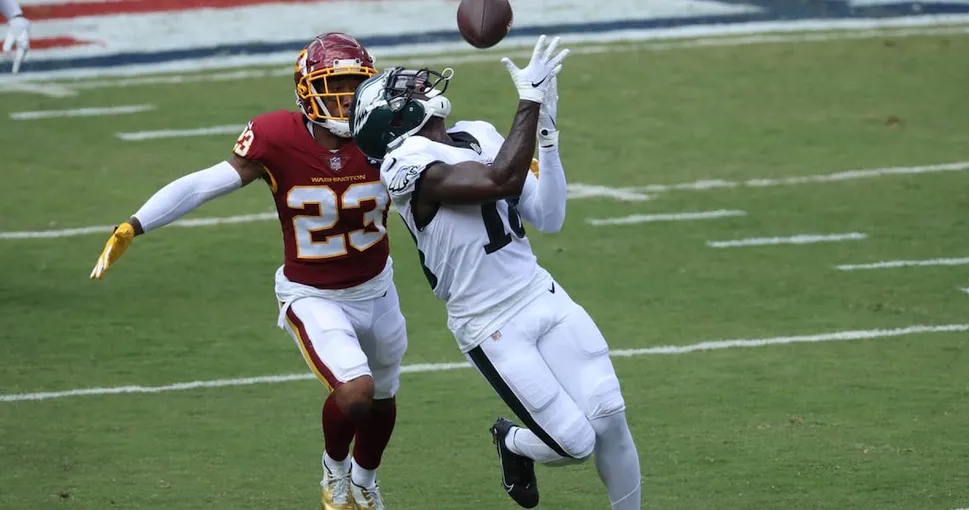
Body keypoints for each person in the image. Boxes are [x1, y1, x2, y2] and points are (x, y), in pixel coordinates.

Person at [89, 32, 405, 510]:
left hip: (379, 289)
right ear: (307, 91)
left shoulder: (389, 132)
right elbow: (204, 184)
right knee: (356, 392)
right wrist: (137, 223)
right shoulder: (276, 136)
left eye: (354, 86)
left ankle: (365, 482)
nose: (345, 99)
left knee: (382, 396)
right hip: (313, 294)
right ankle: (334, 471)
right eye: (334, 86)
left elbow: (444, 166)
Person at [350, 35, 641, 509]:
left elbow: (549, 216)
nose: (420, 86)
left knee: (610, 415)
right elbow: (497, 180)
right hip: (489, 322)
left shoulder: (479, 133)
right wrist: (528, 101)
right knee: (574, 443)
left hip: (539, 290)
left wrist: (547, 132)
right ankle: (512, 442)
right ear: (395, 121)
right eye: (405, 91)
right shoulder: (404, 165)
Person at [1, 0, 30, 73]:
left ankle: (15, 71)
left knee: (20, 50)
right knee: (7, 51)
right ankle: (14, 69)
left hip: (18, 23)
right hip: (15, 23)